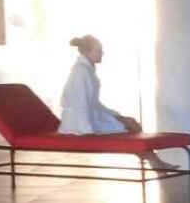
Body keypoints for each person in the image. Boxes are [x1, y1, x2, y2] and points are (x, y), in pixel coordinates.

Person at [58, 35, 174, 170]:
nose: (102, 53)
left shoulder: (86, 69)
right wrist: (86, 130)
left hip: (90, 115)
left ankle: (155, 162)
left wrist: (114, 115)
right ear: (86, 52)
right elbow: (81, 103)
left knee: (131, 123)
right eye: (98, 51)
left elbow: (93, 103)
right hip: (79, 121)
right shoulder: (81, 72)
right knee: (132, 125)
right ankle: (155, 162)